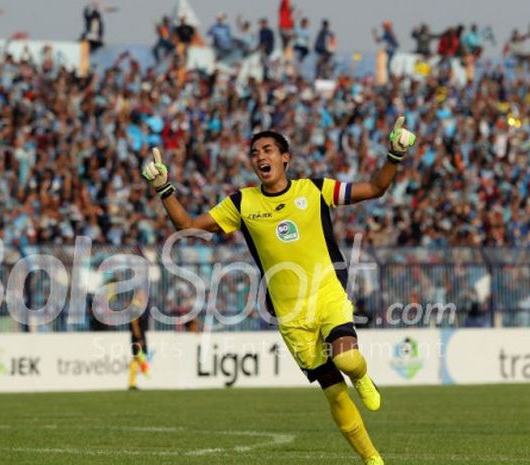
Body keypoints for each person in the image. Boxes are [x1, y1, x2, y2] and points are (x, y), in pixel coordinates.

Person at [142, 118, 417, 465]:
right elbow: (187, 226)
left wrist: (394, 154)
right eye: (255, 153)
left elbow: (375, 188)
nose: (260, 157)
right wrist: (164, 188)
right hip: (289, 313)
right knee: (333, 392)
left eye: (268, 150)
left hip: (327, 293)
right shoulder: (241, 203)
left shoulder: (314, 190)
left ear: (285, 158)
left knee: (347, 359)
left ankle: (362, 377)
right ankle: (372, 458)